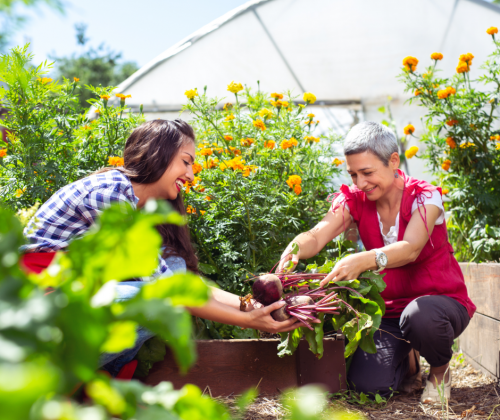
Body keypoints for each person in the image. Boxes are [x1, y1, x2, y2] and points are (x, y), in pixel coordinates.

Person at [21, 119, 302, 375]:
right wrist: (250, 321)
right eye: (186, 162)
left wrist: (247, 305)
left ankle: (85, 386)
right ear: (160, 154)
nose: (191, 175)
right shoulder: (110, 195)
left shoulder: (140, 206)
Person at [278, 122, 475, 403]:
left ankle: (440, 372)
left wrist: (365, 259)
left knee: (420, 315)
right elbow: (317, 234)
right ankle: (410, 361)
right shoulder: (355, 200)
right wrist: (295, 248)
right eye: (353, 174)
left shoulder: (425, 196)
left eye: (367, 173)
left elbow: (411, 249)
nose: (360, 183)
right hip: (390, 314)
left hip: (439, 305)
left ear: (393, 161)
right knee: (367, 387)